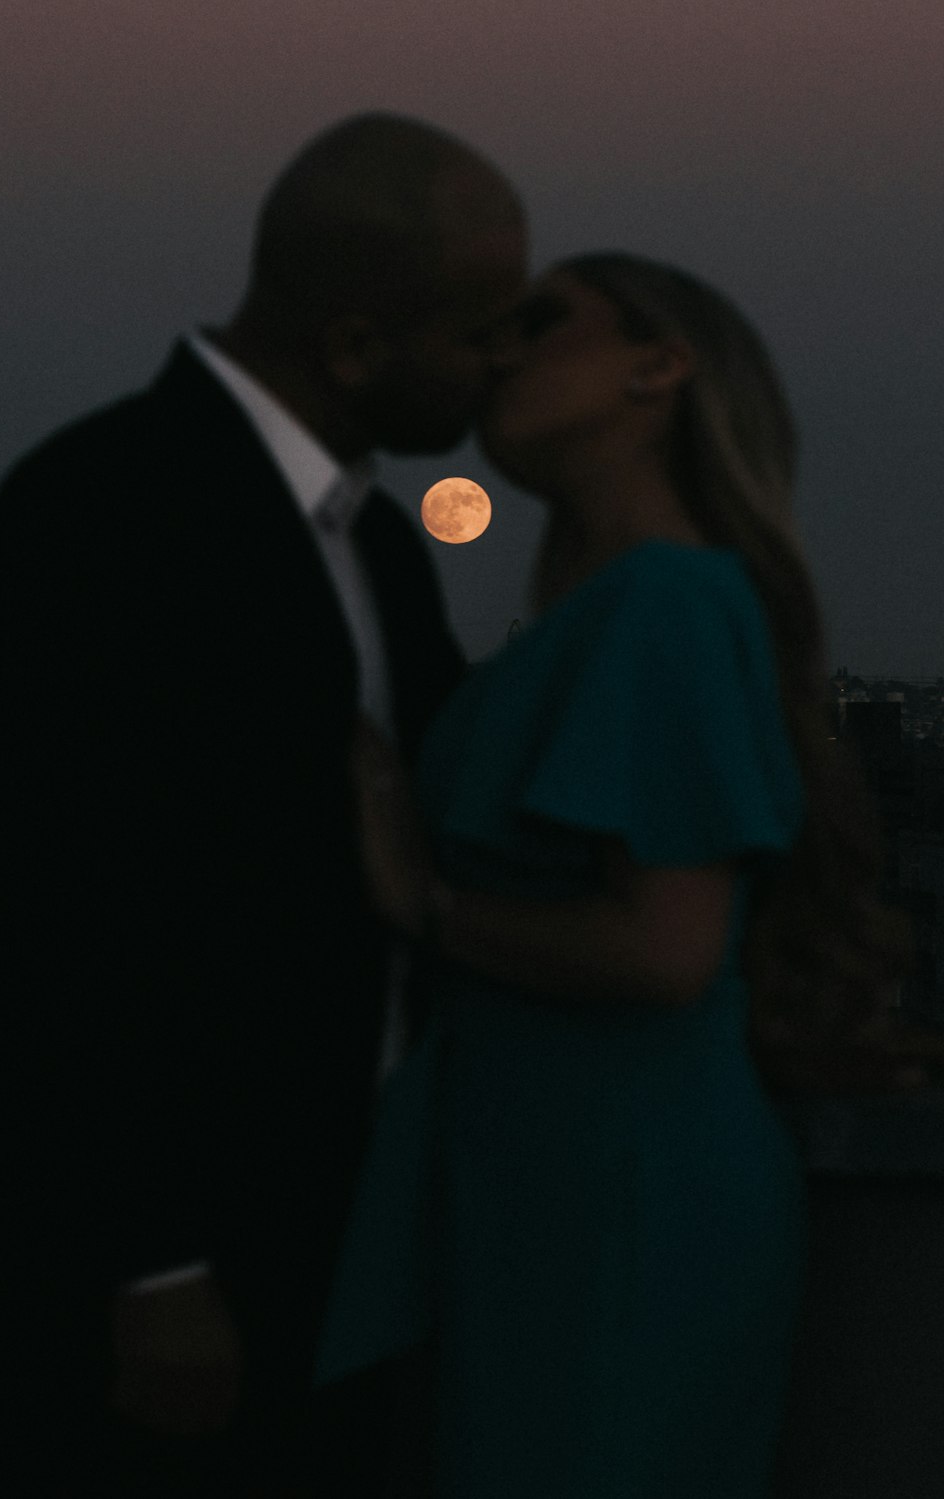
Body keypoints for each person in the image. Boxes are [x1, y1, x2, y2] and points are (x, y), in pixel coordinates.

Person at [0, 113, 527, 1497]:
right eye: (478, 332)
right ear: (355, 344)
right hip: (150, 1261)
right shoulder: (101, 505)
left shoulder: (380, 541)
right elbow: (66, 907)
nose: (498, 365)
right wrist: (158, 1259)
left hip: (324, 1230)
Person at [316, 253, 915, 1495]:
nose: (498, 352)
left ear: (659, 367)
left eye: (541, 324)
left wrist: (421, 898)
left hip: (616, 1203)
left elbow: (663, 948)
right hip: (551, 1182)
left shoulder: (663, 603)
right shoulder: (614, 610)